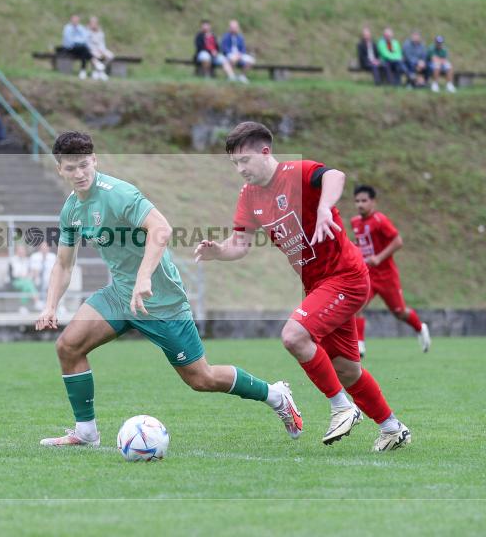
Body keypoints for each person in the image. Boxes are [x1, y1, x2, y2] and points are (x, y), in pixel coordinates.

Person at [36, 131, 301, 448]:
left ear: (94, 160)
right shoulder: (71, 211)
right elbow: (64, 265)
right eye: (70, 168)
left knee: (201, 378)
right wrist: (50, 306)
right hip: (121, 294)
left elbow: (161, 229)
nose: (79, 173)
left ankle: (275, 395)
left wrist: (144, 277)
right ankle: (86, 432)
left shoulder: (118, 193)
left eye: (84, 165)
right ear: (59, 170)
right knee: (68, 346)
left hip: (161, 300)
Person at [195, 122, 411, 452]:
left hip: (346, 277)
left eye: (245, 161)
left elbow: (334, 175)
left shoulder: (296, 172)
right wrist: (218, 252)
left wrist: (324, 207)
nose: (240, 169)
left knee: (293, 335)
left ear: (265, 153)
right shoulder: (249, 195)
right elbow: (240, 243)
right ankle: (392, 428)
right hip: (318, 286)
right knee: (348, 370)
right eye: (235, 164)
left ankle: (341, 407)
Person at [350, 185, 430, 357]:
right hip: (368, 274)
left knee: (399, 312)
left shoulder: (380, 220)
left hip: (386, 276)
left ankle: (420, 327)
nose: (360, 204)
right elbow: (361, 244)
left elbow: (398, 241)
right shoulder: (355, 222)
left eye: (364, 201)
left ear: (373, 202)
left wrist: (379, 257)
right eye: (357, 201)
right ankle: (359, 345)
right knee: (357, 305)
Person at [61, 15, 98, 80]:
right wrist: (79, 41)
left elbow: (85, 38)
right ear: (71, 20)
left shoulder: (81, 28)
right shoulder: (67, 28)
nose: (75, 21)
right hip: (70, 48)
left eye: (77, 20)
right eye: (74, 20)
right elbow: (70, 41)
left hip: (80, 48)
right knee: (84, 49)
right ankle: (93, 65)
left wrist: (78, 41)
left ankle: (83, 70)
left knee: (84, 50)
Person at [9, 244, 38, 313]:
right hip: (15, 281)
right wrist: (23, 276)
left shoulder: (27, 260)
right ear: (17, 251)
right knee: (27, 283)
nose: (21, 252)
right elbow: (14, 275)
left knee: (26, 285)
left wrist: (28, 276)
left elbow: (31, 272)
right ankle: (36, 301)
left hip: (26, 281)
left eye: (23, 251)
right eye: (20, 251)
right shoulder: (13, 260)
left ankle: (23, 307)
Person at [29, 241, 57, 307]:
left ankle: (56, 306)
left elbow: (55, 270)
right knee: (31, 283)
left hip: (50, 279)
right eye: (43, 247)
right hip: (37, 278)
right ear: (40, 248)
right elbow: (33, 270)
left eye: (46, 247)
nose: (44, 248)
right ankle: (38, 303)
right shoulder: (34, 256)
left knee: (57, 284)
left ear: (48, 248)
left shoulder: (52, 256)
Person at [86, 16, 113, 81]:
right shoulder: (86, 31)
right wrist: (89, 30)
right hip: (91, 49)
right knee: (95, 55)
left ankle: (100, 71)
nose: (94, 25)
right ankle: (96, 72)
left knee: (110, 56)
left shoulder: (100, 32)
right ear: (89, 23)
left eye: (95, 23)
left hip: (100, 49)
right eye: (92, 23)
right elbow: (87, 43)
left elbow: (102, 43)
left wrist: (101, 50)